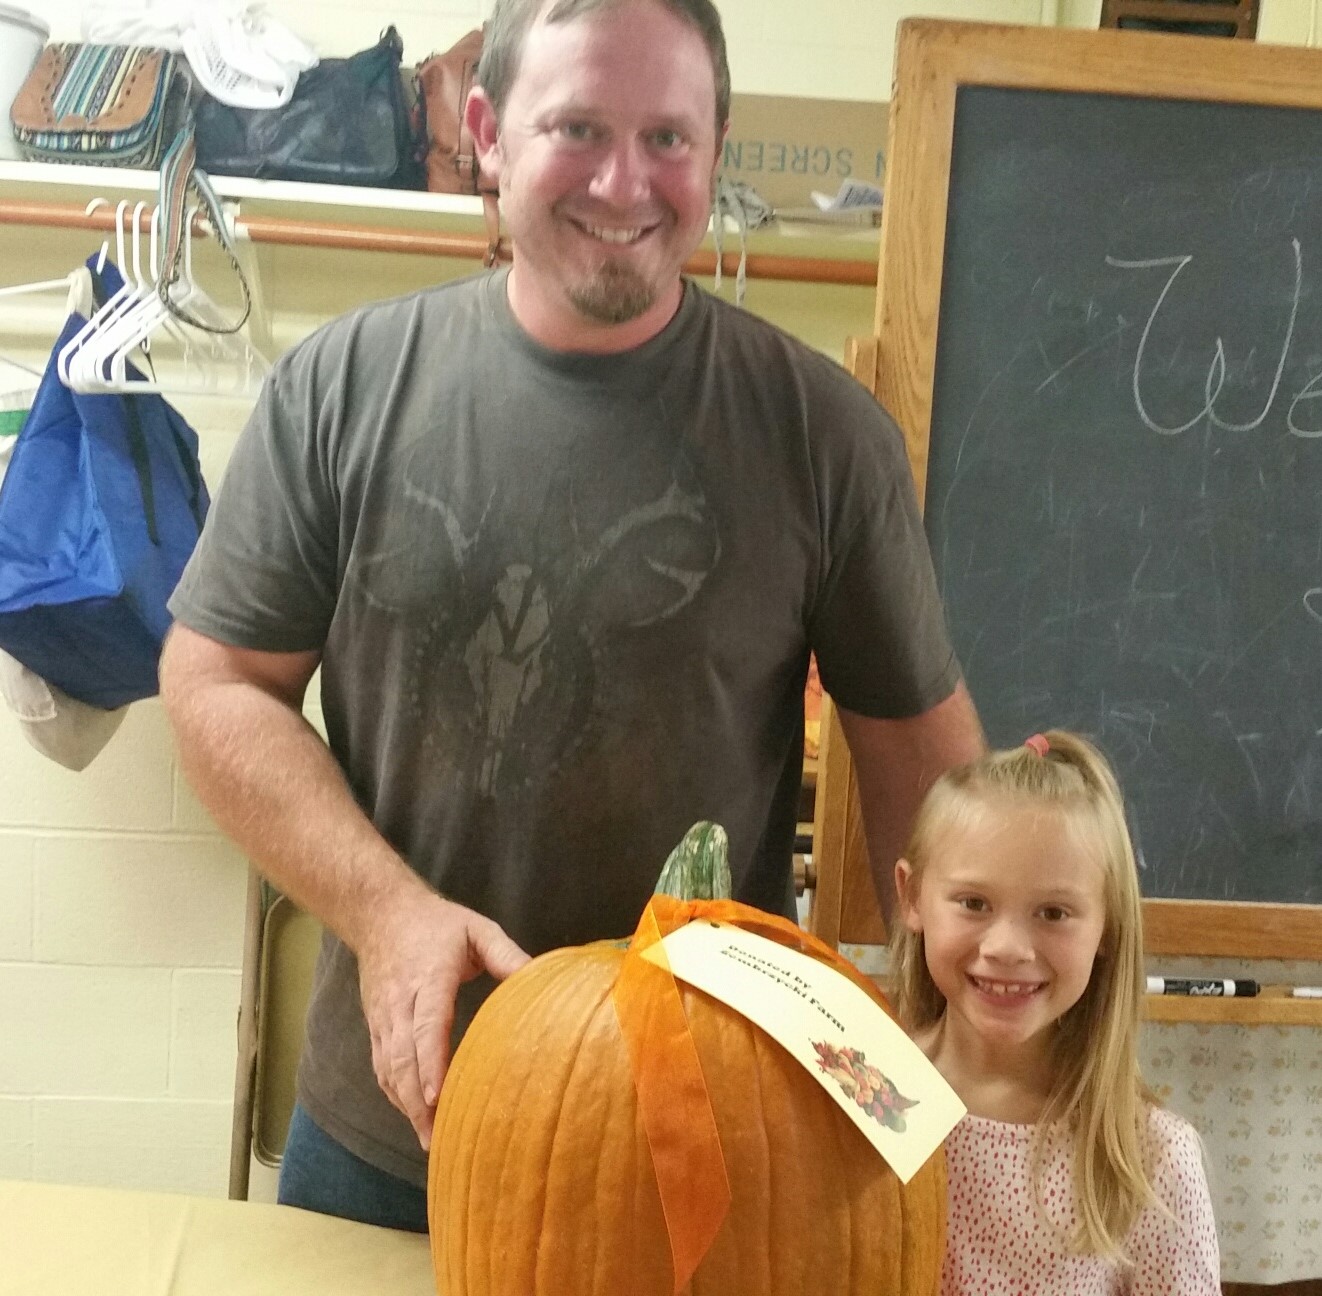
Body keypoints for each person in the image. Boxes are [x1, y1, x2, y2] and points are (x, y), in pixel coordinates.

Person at [159, 0, 983, 1232]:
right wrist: (388, 913)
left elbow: (928, 776)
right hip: (393, 1128)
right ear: (487, 133)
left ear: (715, 149)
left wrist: (973, 1027)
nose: (622, 181)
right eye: (578, 128)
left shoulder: (822, 439)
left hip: (696, 1152)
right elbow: (215, 682)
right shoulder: (339, 389)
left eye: (667, 138)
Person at [891, 730, 1220, 1294]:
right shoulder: (861, 1101)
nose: (1007, 948)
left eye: (1053, 912)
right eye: (974, 903)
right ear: (912, 896)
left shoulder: (1150, 1160)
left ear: (1108, 926)